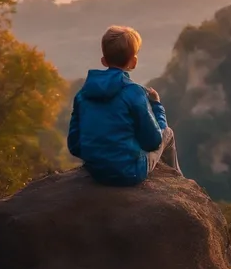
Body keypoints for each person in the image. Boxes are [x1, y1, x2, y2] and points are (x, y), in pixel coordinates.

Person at [67, 25, 183, 186]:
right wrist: (156, 106)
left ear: (104, 61)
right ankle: (179, 185)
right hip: (130, 172)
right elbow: (153, 141)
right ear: (134, 62)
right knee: (168, 134)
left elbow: (74, 145)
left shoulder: (83, 94)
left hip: (96, 172)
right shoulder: (134, 93)